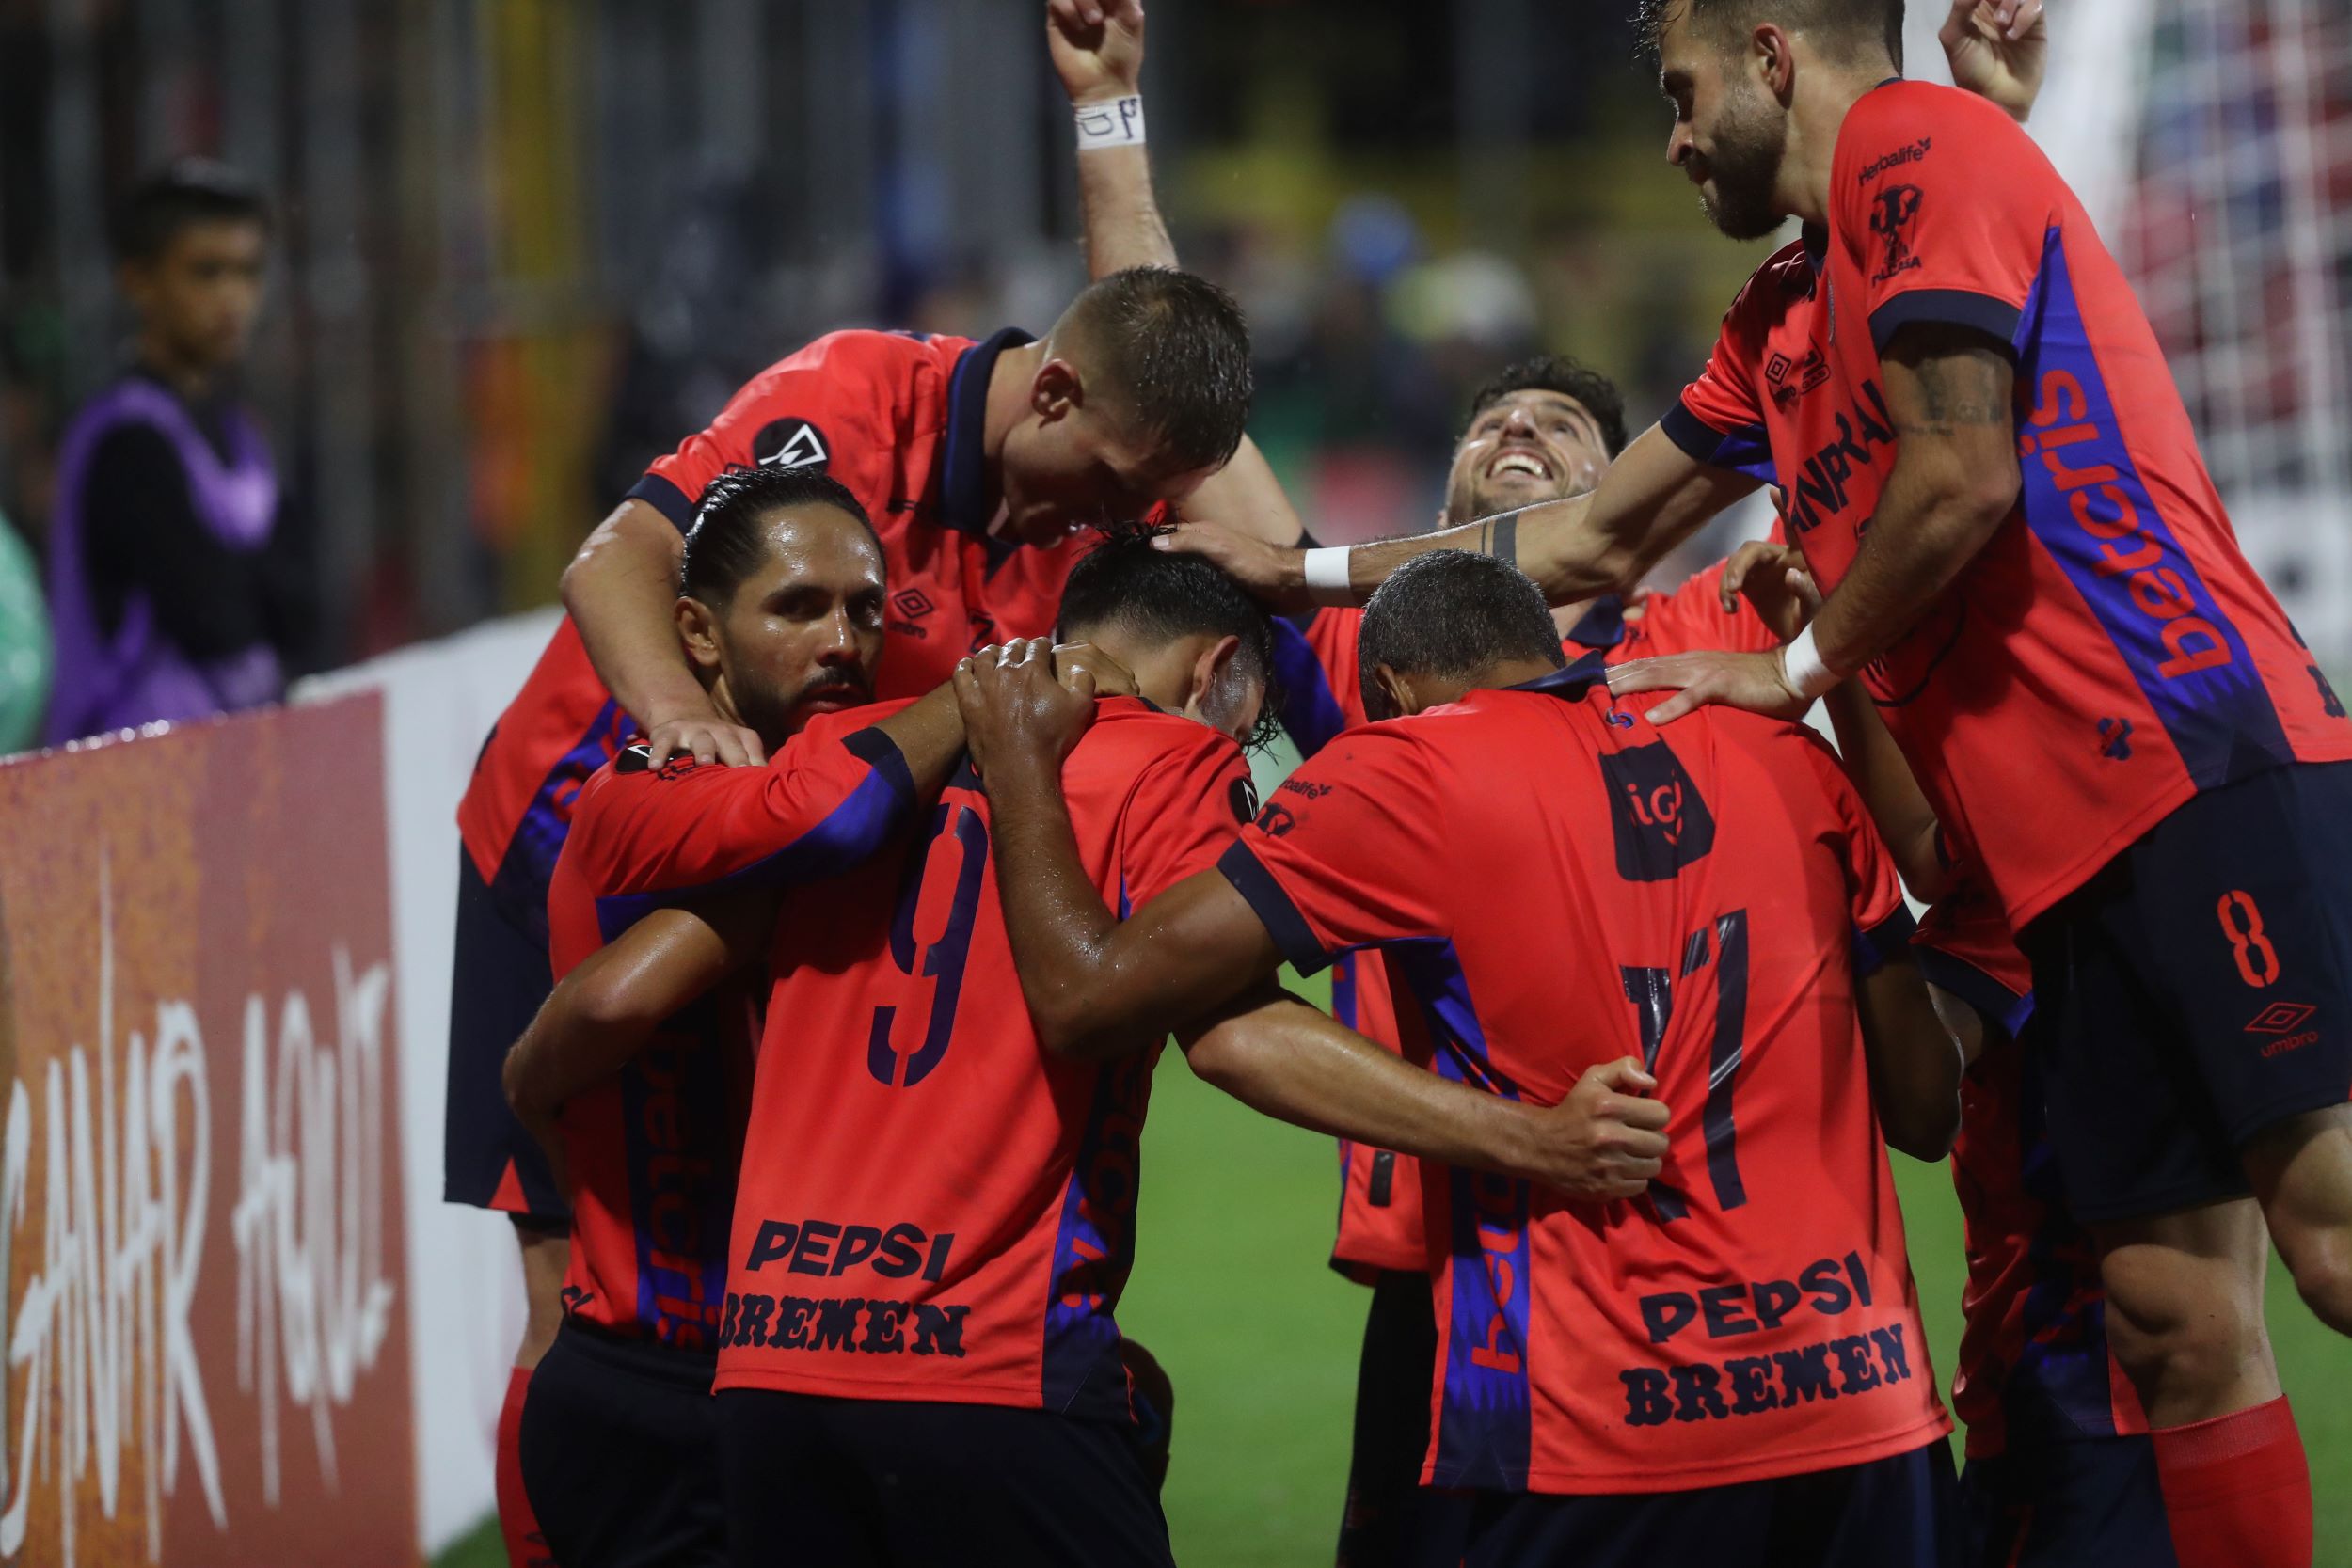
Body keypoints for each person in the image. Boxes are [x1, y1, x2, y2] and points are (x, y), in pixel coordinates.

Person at [1169, 5, 2347, 1561]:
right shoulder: (1784, 314)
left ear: (1773, 56)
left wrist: (1793, 673)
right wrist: (1301, 568)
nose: (1667, 136)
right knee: (2169, 1319)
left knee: (2330, 1238)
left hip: (2187, 762)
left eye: (1681, 90)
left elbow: (1965, 471)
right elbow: (1591, 535)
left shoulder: (1921, 151)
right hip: (2049, 857)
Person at [442, 15, 1297, 1553]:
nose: (1115, 520)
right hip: (583, 839)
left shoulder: (1053, 526)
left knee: (754, 1308)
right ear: (1046, 405)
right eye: (1110, 482)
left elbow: (1159, 353)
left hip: (763, 862)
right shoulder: (849, 401)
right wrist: (682, 733)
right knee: (590, 1301)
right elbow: (620, 555)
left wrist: (1110, 115)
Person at [520, 532, 1645, 1567]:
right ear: (1219, 672)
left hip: (770, 1372)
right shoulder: (1169, 762)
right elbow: (1237, 1038)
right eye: (1253, 709)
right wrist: (1529, 1135)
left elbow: (622, 993)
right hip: (992, 1361)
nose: (1248, 735)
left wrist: (523, 1091)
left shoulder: (851, 760)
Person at [959, 549, 1962, 1567]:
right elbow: (1926, 1110)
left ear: (1388, 690)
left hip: (1604, 1422)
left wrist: (1020, 770)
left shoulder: (1404, 765)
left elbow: (1093, 994)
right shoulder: (1785, 757)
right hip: (1868, 1408)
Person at [506, 466, 1017, 1568]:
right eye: (797, 606)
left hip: (791, 1373)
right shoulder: (651, 787)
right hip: (657, 1384)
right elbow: (627, 986)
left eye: (866, 610)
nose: (843, 639)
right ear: (695, 632)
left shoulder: (820, 782)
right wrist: (993, 687)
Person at [1730, 534, 2175, 1566]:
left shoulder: (2065, 910)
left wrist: (1863, 894)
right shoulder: (2028, 906)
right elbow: (1932, 851)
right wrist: (1824, 661)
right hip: (2062, 1404)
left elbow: (1922, 1104)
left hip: (2084, 1408)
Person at [42, 158, 310, 747]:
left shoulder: (238, 433)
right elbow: (215, 618)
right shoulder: (125, 437)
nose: (232, 298)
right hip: (130, 777)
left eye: (248, 272)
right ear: (137, 280)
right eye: (205, 272)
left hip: (222, 765)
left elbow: (297, 608)